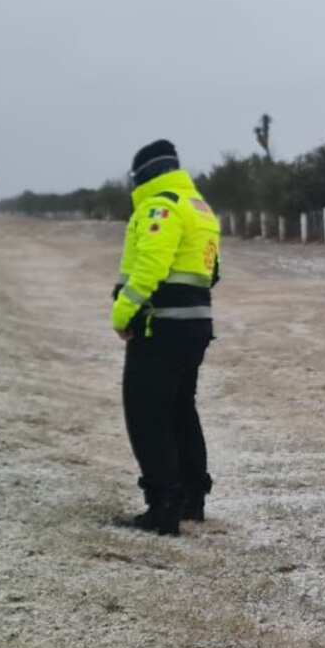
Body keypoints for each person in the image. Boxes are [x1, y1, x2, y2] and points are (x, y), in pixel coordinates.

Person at [111, 139, 221, 536]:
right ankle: (192, 499)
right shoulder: (199, 207)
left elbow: (150, 268)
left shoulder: (161, 206)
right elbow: (212, 272)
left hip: (160, 327)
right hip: (195, 326)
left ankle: (163, 507)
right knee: (180, 410)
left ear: (145, 174)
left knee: (146, 415)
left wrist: (123, 312)